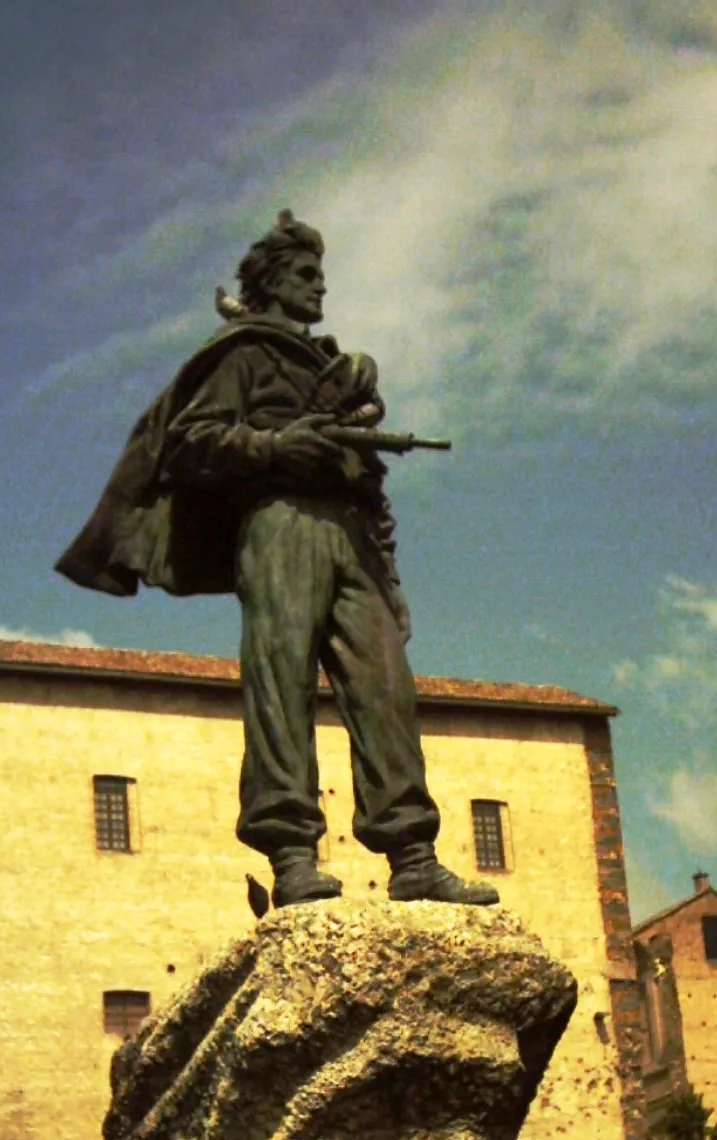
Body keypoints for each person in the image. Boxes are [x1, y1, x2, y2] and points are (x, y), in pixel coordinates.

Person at [57, 211, 499, 911]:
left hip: (348, 531)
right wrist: (278, 447)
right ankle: (292, 854)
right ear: (270, 283)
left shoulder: (326, 365)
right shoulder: (242, 353)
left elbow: (370, 486)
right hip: (278, 526)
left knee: (386, 689)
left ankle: (413, 853)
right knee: (279, 684)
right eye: (304, 275)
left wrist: (389, 576)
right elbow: (190, 442)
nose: (319, 287)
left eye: (321, 276)